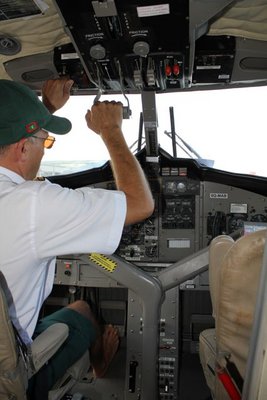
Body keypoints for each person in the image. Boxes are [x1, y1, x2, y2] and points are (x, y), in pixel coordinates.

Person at [0, 78, 154, 396]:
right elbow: (140, 204)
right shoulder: (32, 203)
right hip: (11, 379)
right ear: (21, 147)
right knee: (82, 310)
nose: (44, 149)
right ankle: (99, 365)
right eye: (45, 141)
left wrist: (43, 112)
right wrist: (111, 131)